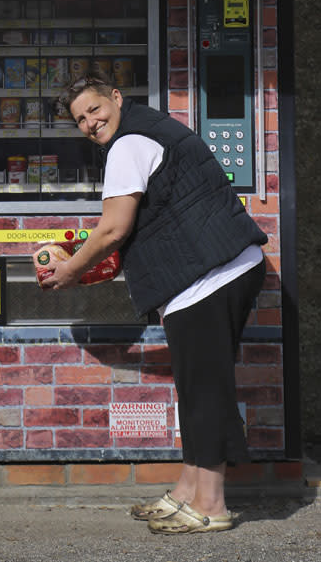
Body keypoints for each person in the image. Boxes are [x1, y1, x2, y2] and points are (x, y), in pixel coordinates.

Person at [41, 74, 267, 535]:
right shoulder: (148, 129)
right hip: (218, 269)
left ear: (117, 98)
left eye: (95, 109)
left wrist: (72, 271)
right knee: (195, 387)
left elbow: (112, 229)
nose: (90, 122)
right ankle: (188, 491)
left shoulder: (127, 144)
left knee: (204, 391)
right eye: (80, 118)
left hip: (208, 276)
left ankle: (212, 504)